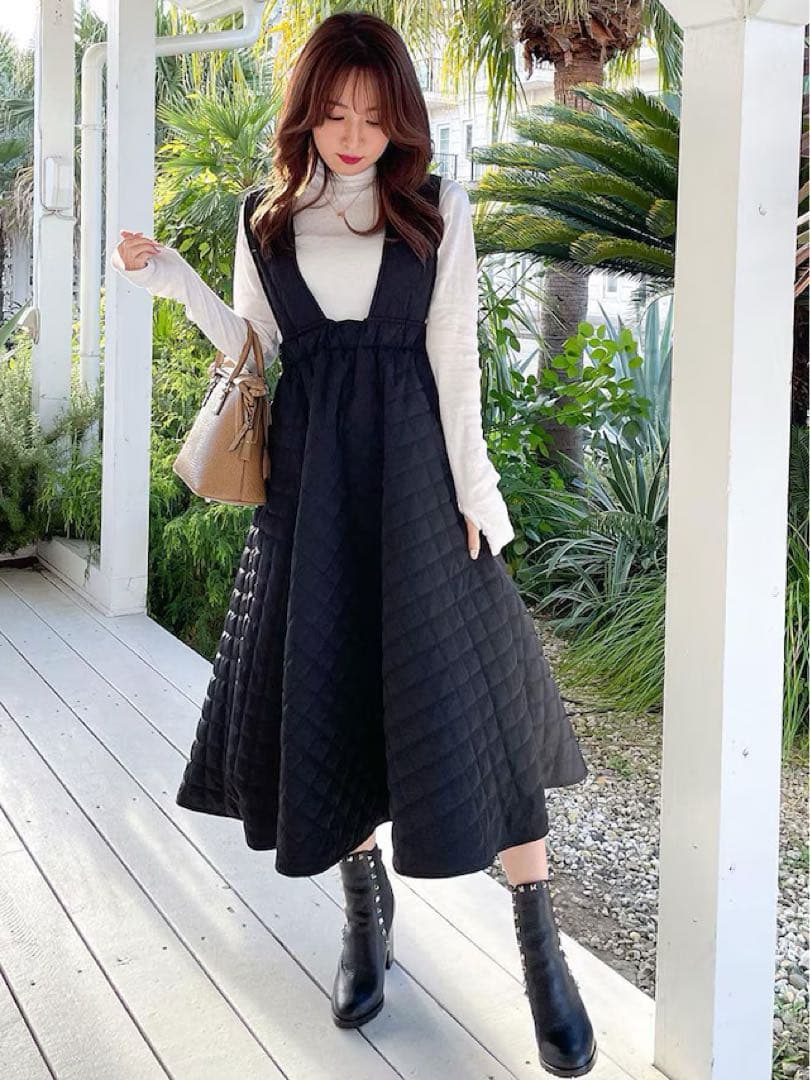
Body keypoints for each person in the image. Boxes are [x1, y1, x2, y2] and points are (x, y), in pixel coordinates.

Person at [112, 12, 597, 1076]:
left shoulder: (435, 210)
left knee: (480, 704)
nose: (352, 135)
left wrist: (478, 492)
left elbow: (454, 355)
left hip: (417, 481)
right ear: (307, 115)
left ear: (400, 121)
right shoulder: (266, 220)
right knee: (332, 692)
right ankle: (365, 915)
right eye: (334, 113)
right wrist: (170, 279)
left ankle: (540, 953)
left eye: (374, 117)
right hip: (311, 489)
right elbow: (255, 350)